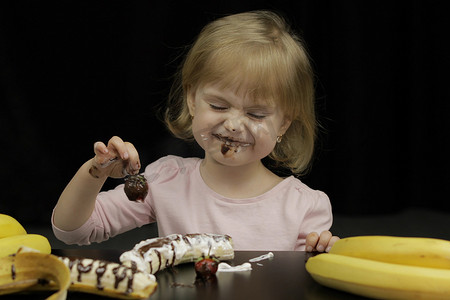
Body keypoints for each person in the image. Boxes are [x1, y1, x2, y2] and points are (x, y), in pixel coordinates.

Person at [52, 10, 339, 252]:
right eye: (218, 105)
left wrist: (322, 253)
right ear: (192, 100)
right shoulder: (166, 181)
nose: (234, 124)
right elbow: (73, 231)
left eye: (256, 113)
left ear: (284, 123)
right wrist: (96, 172)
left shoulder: (304, 207)